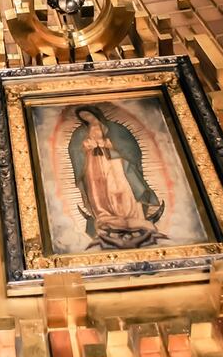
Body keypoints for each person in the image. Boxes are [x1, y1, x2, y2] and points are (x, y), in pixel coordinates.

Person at [68, 105, 167, 249]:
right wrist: (85, 147)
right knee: (99, 190)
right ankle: (105, 215)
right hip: (93, 164)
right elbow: (75, 150)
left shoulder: (115, 129)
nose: (87, 118)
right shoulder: (80, 132)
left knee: (122, 187)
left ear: (95, 113)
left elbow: (130, 148)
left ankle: (133, 215)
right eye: (83, 117)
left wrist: (110, 146)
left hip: (115, 162)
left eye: (88, 115)